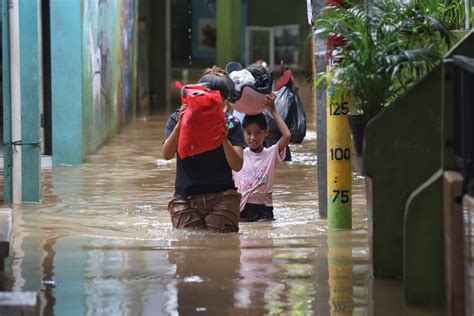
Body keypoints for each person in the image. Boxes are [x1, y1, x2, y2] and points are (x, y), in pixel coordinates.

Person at [162, 66, 246, 233]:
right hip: (185, 199)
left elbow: (237, 165)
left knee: (221, 250)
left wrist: (223, 138)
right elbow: (166, 154)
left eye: (218, 97)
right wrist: (180, 125)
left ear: (224, 100)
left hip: (222, 197)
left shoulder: (231, 124)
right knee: (187, 253)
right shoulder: (178, 118)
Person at [235, 93, 291, 222]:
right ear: (242, 133)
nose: (253, 137)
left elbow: (287, 136)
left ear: (266, 132)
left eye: (258, 133)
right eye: (248, 133)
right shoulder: (239, 154)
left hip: (264, 210)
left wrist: (273, 110)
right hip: (242, 209)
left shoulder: (271, 154)